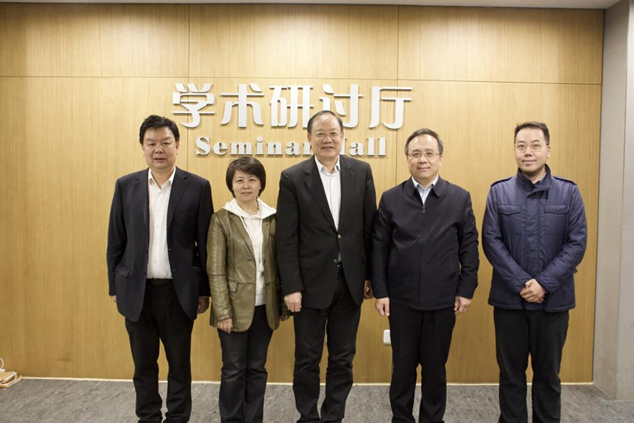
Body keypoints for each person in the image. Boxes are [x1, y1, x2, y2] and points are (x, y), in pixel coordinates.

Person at [106, 115, 213, 423]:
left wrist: (204, 291)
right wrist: (115, 286)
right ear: (142, 147)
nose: (158, 149)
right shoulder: (126, 186)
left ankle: (178, 417)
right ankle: (148, 417)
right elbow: (116, 240)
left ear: (177, 145)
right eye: (151, 143)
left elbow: (205, 245)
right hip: (136, 291)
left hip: (178, 293)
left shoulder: (197, 187)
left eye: (166, 142)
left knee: (179, 364)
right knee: (143, 365)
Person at [372, 128, 480, 423]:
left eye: (429, 153)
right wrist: (381, 292)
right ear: (407, 158)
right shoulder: (391, 199)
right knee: (402, 369)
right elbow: (378, 249)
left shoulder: (458, 198)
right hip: (401, 301)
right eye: (416, 154)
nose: (423, 159)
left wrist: (466, 289)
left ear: (440, 158)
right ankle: (401, 419)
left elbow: (469, 247)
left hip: (442, 300)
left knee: (435, 370)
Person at [482, 121, 587, 423]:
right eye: (521, 146)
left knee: (548, 377)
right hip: (509, 303)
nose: (527, 152)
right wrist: (522, 283)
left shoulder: (569, 192)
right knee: (510, 377)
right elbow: (491, 241)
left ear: (548, 150)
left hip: (553, 303)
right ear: (514, 150)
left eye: (535, 145)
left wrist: (543, 284)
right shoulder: (499, 192)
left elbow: (577, 243)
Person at [276, 110, 377, 423]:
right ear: (309, 138)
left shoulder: (361, 172)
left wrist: (370, 276)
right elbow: (286, 238)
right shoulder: (293, 178)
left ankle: (333, 416)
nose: (327, 139)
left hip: (350, 283)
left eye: (333, 133)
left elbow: (369, 229)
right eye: (320, 133)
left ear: (343, 136)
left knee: (343, 358)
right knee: (307, 358)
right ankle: (308, 416)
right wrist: (291, 286)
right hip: (308, 286)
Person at [207, 157, 288, 423]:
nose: (246, 185)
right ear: (231, 185)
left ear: (260, 184)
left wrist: (281, 304)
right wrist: (222, 312)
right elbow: (215, 270)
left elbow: (281, 263)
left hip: (265, 306)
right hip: (233, 308)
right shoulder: (221, 219)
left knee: (257, 369)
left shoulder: (272, 217)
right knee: (233, 370)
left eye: (251, 179)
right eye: (239, 180)